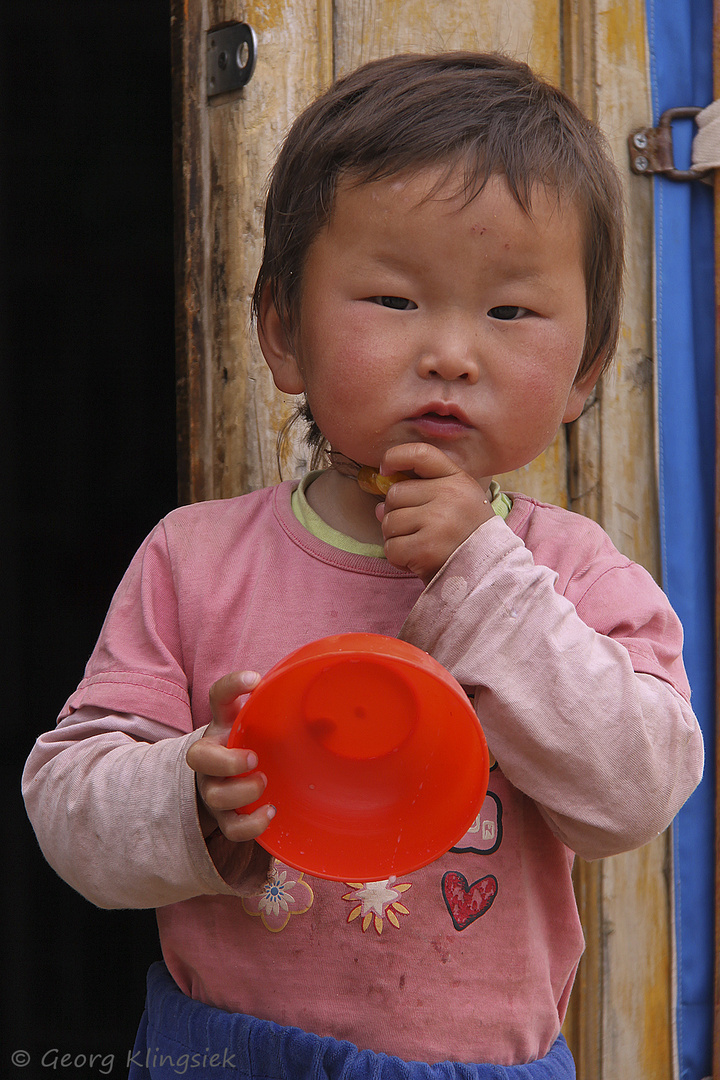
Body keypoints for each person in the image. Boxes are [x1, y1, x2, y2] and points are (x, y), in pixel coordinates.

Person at [23, 51, 703, 1078]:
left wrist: (481, 573)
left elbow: (633, 796)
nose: (451, 354)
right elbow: (67, 799)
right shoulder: (197, 558)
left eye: (510, 312)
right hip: (227, 1054)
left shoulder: (573, 576)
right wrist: (188, 802)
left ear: (588, 369)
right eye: (393, 300)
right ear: (284, 332)